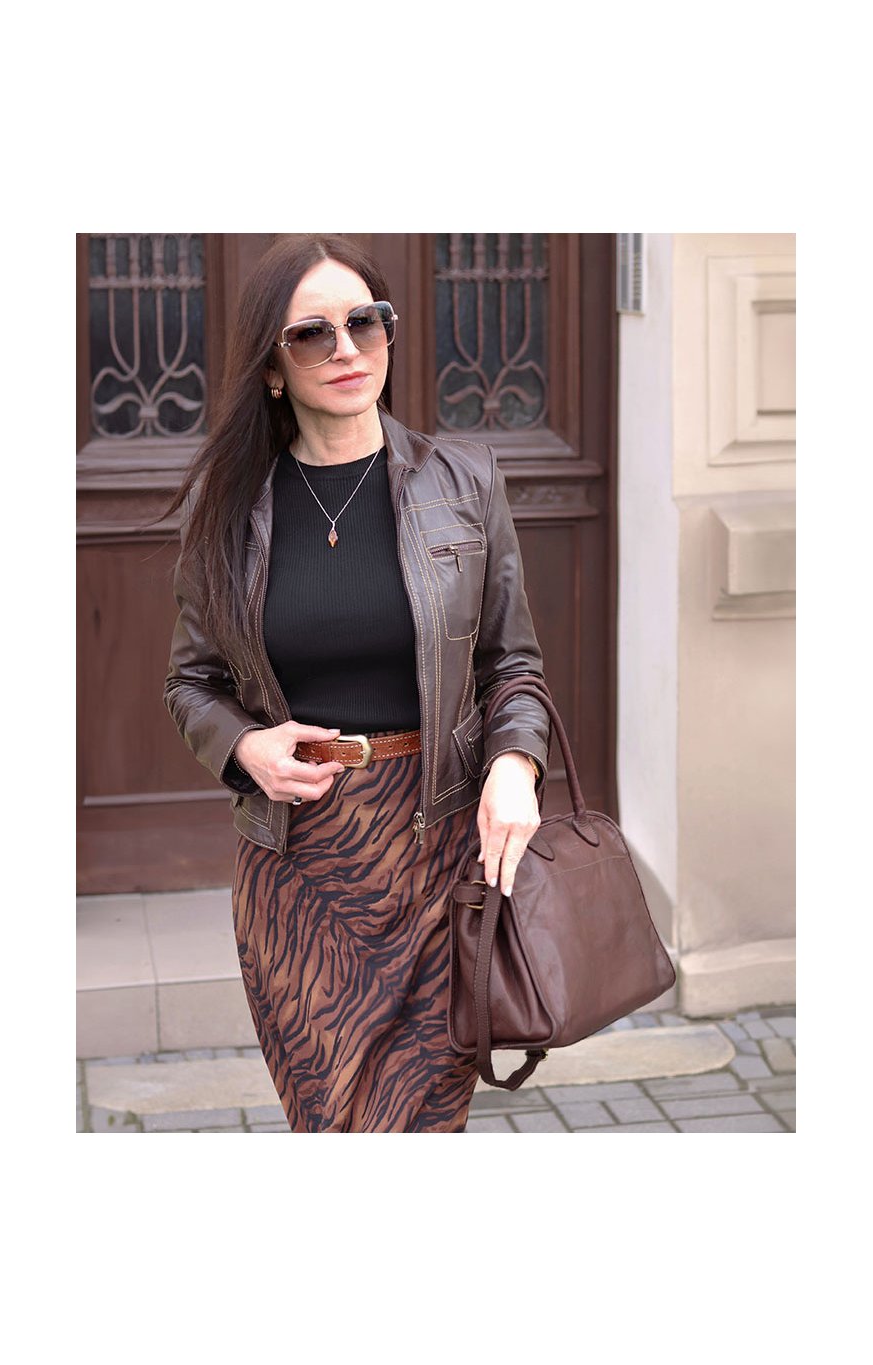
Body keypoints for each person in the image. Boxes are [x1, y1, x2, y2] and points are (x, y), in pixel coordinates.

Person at [163, 234, 550, 1133]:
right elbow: (190, 681)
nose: (346, 349)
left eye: (364, 323)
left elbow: (512, 665)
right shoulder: (226, 507)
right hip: (298, 870)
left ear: (387, 334)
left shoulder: (464, 483)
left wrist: (515, 765)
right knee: (329, 1123)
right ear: (271, 368)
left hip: (438, 854)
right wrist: (245, 746)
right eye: (312, 334)